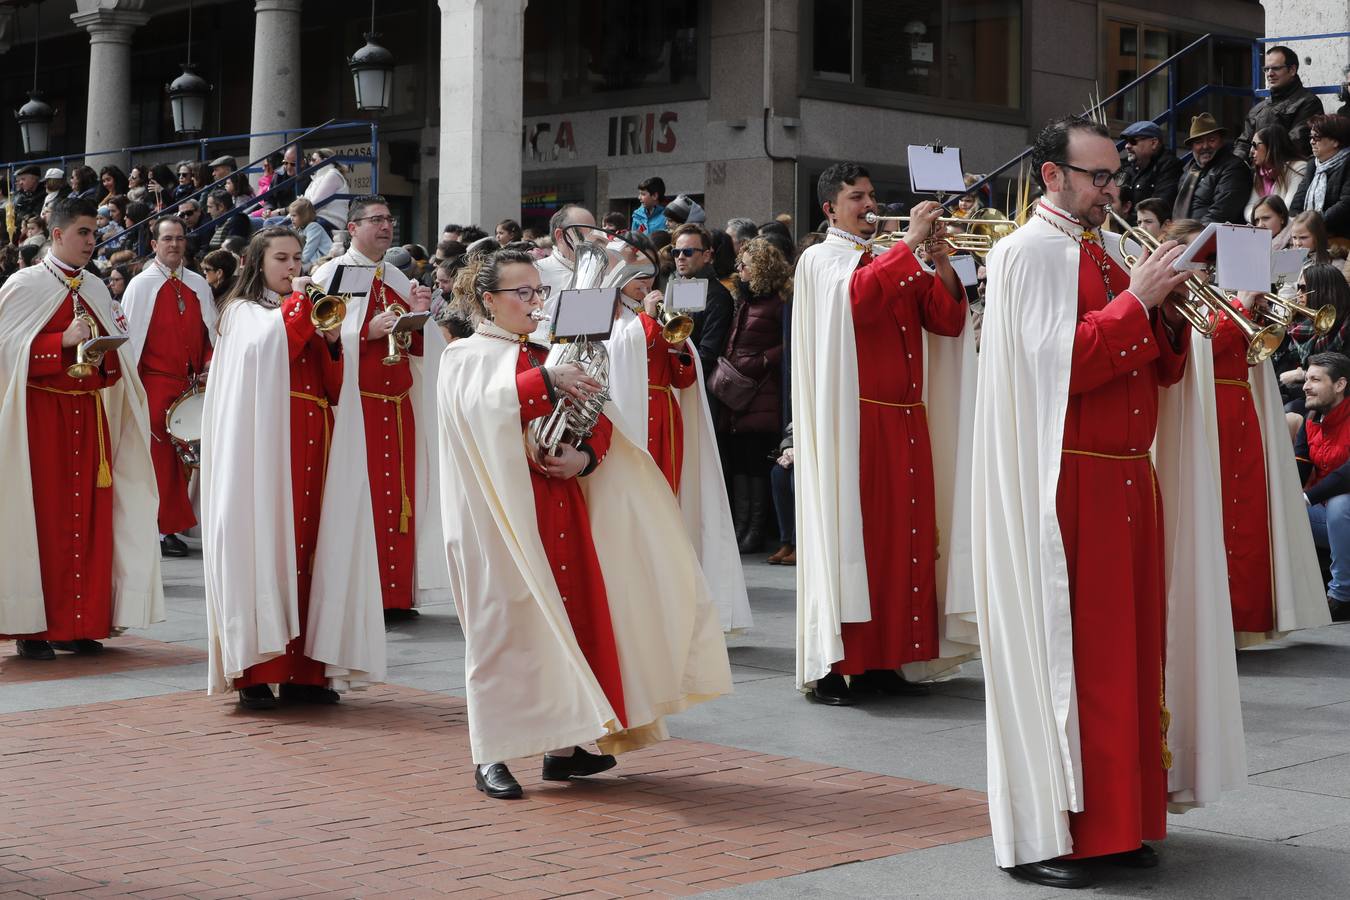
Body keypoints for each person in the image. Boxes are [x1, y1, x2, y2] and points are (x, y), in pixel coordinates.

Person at [971, 115, 1244, 889]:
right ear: (1053, 175)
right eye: (1098, 176)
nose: (1112, 188)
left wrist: (1161, 308)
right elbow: (1061, 365)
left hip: (1127, 477)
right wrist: (1137, 301)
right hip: (1071, 483)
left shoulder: (1105, 247)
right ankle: (1058, 833)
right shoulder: (1023, 253)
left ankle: (1119, 823)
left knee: (1129, 661)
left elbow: (1151, 372)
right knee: (1079, 663)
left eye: (1114, 175)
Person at [435, 247, 732, 799]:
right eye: (522, 293)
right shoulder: (466, 355)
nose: (535, 302)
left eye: (538, 291)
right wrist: (546, 382)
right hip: (499, 517)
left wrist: (586, 457)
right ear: (487, 300)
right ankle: (491, 752)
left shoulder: (547, 351)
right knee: (503, 627)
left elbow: (598, 416)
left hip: (560, 504)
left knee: (570, 621)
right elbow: (477, 411)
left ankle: (565, 747)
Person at [793, 162, 977, 708]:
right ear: (831, 209)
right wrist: (912, 243)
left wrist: (940, 260)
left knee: (907, 541)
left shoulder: (891, 257)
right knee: (862, 540)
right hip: (855, 422)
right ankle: (840, 663)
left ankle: (885, 658)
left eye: (872, 195)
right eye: (857, 197)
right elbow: (859, 299)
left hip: (906, 417)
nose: (870, 204)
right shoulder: (819, 260)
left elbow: (945, 320)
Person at [202, 226, 384, 708]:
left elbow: (333, 385)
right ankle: (258, 674)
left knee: (313, 551)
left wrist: (331, 342)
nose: (292, 267)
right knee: (265, 546)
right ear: (257, 263)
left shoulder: (304, 306)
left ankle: (308, 672)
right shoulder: (242, 312)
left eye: (298, 258)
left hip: (314, 443)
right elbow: (268, 348)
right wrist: (304, 309)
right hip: (265, 449)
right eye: (281, 258)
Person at [0, 197, 162, 661]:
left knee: (90, 521)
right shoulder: (24, 284)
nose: (92, 241)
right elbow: (5, 351)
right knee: (46, 523)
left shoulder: (94, 285)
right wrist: (59, 343)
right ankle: (35, 628)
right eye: (83, 233)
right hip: (41, 421)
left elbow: (112, 360)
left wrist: (106, 353)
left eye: (94, 233)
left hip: (89, 422)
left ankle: (80, 624)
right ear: (56, 235)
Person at [1161, 224, 1328, 644]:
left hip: (1241, 412)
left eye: (1206, 265)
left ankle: (1245, 619)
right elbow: (1207, 342)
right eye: (1199, 264)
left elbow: (1253, 351)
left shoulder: (1215, 299)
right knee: (1218, 512)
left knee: (1248, 513)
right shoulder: (1181, 302)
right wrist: (1242, 302)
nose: (1204, 272)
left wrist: (1260, 309)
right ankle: (1215, 623)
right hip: (1206, 410)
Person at [603, 236, 754, 634]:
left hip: (666, 420)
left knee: (671, 504)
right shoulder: (613, 318)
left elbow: (685, 377)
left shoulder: (654, 315)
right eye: (637, 279)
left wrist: (680, 349)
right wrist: (650, 320)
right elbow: (621, 350)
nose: (644, 285)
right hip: (633, 419)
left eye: (649, 277)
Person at [312, 195, 440, 621]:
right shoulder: (335, 273)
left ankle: (395, 594)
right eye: (376, 220)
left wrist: (420, 315)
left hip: (399, 404)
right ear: (352, 228)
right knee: (362, 497)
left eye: (390, 219)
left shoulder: (399, 277)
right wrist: (365, 330)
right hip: (357, 404)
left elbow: (417, 347)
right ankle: (362, 598)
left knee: (400, 498)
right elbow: (323, 339)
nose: (386, 227)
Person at [120, 217, 215, 558]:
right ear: (154, 244)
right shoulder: (141, 286)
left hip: (191, 386)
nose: (174, 244)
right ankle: (160, 531)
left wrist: (208, 362)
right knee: (161, 460)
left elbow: (209, 334)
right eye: (168, 239)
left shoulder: (197, 284)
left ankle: (176, 526)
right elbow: (131, 343)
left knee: (187, 462)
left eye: (180, 238)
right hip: (155, 384)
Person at [719, 237, 787, 553]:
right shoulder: (745, 300)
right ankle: (741, 526)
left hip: (762, 390)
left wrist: (761, 361)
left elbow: (787, 343)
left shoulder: (777, 303)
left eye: (745, 265)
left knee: (755, 463)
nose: (740, 270)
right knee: (741, 462)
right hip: (740, 389)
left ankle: (754, 530)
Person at [1295, 351, 1350, 622]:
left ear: (1340, 385)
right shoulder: (1311, 419)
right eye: (1306, 379)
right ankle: (1291, 594)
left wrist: (1307, 496)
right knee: (1277, 509)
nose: (1306, 386)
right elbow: (1299, 467)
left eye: (1315, 379)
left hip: (1340, 511)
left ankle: (1342, 597)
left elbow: (1346, 475)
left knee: (1341, 503)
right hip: (1331, 518)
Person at [670, 224, 734, 401]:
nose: (680, 257)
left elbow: (708, 354)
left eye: (688, 252)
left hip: (699, 390)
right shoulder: (677, 287)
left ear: (707, 255)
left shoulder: (718, 296)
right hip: (675, 384)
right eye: (676, 252)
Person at [1236, 45, 1326, 159]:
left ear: (1292, 70)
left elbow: (1296, 143)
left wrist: (1260, 155)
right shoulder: (1258, 109)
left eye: (1276, 68)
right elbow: (1243, 144)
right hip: (1257, 172)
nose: (1269, 74)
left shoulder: (1308, 102)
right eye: (1266, 69)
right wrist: (1236, 167)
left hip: (1286, 172)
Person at [1174, 113, 1251, 225]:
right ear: (1192, 147)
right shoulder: (1188, 171)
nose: (1205, 146)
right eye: (1198, 142)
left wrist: (1192, 237)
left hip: (1210, 237)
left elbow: (1221, 214)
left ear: (1221, 141)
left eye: (1211, 140)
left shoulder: (1234, 168)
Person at [1290, 114, 1350, 240]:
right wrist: (1299, 222)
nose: (1312, 141)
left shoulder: (1347, 164)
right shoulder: (1313, 164)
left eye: (1317, 137)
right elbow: (1298, 201)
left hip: (1340, 236)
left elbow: (1346, 204)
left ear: (1335, 141)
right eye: (1311, 137)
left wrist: (1312, 225)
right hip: (1310, 235)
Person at [1243, 124, 1308, 223]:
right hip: (1265, 230)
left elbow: (1287, 209)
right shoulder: (1260, 174)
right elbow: (1249, 207)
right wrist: (1262, 220)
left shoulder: (1298, 168)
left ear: (1271, 145)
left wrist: (1261, 219)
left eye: (1255, 145)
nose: (1251, 151)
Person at [1121, 121, 1184, 215]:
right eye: (1127, 142)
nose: (1127, 146)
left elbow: (1159, 208)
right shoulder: (1127, 166)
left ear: (1154, 143)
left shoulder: (1169, 166)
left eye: (1133, 141)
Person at [302, 148, 350, 233]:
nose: (310, 163)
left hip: (330, 221)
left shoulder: (333, 174)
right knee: (274, 222)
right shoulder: (317, 178)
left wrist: (292, 212)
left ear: (325, 161)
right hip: (318, 219)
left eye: (313, 160)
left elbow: (316, 202)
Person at [288, 198, 332, 271]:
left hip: (323, 258)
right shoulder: (300, 229)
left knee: (298, 269)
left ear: (304, 216)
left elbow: (310, 248)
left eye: (294, 216)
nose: (291, 219)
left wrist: (299, 260)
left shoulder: (313, 227)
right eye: (291, 216)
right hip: (311, 258)